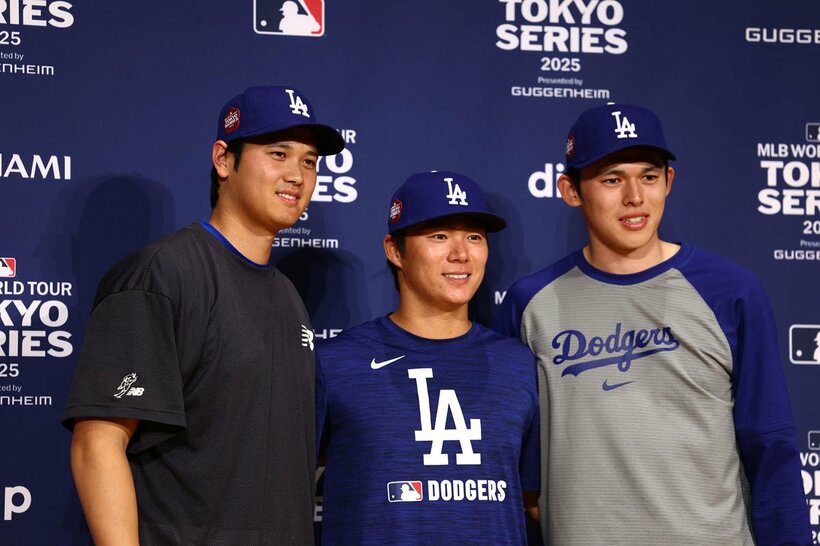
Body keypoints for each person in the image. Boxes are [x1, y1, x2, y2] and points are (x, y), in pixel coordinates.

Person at [494, 102, 811, 545]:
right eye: (611, 180)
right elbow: (514, 460)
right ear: (570, 190)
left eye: (648, 176)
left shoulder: (731, 290)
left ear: (669, 181)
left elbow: (770, 444)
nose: (634, 198)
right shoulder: (530, 304)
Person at [62, 85, 345, 545]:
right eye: (278, 153)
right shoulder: (161, 274)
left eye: (309, 162)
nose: (297, 174)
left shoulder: (288, 297)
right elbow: (98, 441)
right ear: (223, 160)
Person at [316, 171, 540, 545]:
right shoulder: (336, 363)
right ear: (394, 250)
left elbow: (535, 499)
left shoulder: (518, 365)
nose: (461, 254)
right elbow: (281, 490)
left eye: (474, 236)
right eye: (439, 236)